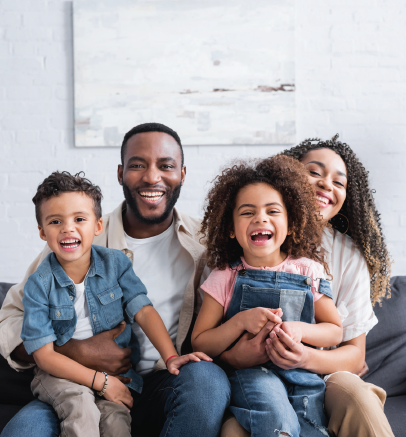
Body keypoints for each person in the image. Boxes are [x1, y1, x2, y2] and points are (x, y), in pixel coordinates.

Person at [0, 123, 238, 437]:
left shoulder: (206, 242)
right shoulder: (76, 237)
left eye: (165, 166)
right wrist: (75, 350)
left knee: (206, 381)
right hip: (73, 380)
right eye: (138, 165)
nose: (152, 177)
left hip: (162, 383)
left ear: (182, 173)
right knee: (24, 432)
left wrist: (172, 357)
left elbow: (147, 309)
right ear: (120, 173)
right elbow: (10, 320)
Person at [220, 135, 394, 437]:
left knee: (359, 397)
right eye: (314, 172)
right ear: (286, 179)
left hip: (323, 376)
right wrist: (238, 356)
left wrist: (305, 357)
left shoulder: (348, 256)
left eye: (339, 182)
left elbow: (354, 354)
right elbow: (205, 339)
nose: (327, 184)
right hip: (253, 377)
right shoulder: (247, 239)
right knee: (236, 431)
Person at [21, 171, 211, 437]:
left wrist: (171, 356)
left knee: (117, 421)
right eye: (55, 221)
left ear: (98, 226)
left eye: (79, 219)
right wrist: (101, 381)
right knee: (82, 410)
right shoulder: (38, 283)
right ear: (42, 232)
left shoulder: (116, 264)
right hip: (58, 375)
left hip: (114, 373)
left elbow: (143, 311)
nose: (67, 228)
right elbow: (44, 355)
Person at [192, 155, 342, 436]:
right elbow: (200, 342)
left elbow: (334, 331)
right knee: (279, 423)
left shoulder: (309, 271)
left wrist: (299, 330)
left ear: (291, 222)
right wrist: (239, 322)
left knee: (311, 430)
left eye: (272, 211)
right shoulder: (225, 275)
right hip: (250, 376)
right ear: (230, 229)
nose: (260, 217)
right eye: (248, 212)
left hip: (303, 377)